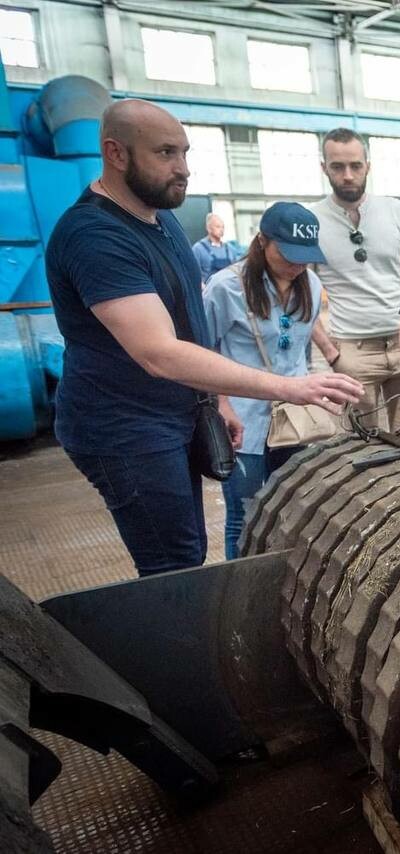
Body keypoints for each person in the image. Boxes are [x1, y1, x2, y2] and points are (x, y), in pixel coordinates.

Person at [46, 99, 361, 576]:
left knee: (189, 545)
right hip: (126, 426)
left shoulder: (161, 220)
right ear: (116, 153)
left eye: (185, 153)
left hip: (173, 415)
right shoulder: (95, 235)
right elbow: (159, 352)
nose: (184, 169)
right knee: (173, 561)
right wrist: (289, 387)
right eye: (166, 153)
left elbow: (188, 324)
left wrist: (212, 400)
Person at [205, 202, 338, 559]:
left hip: (293, 422)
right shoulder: (226, 287)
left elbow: (300, 348)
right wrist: (221, 404)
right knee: (244, 516)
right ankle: (240, 589)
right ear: (262, 241)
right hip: (242, 423)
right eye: (288, 254)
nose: (297, 264)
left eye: (305, 256)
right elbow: (203, 352)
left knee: (291, 509)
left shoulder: (308, 283)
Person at [309, 128, 400, 440]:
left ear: (368, 166)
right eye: (337, 167)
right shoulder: (312, 221)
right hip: (352, 353)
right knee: (362, 449)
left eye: (355, 166)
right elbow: (298, 296)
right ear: (324, 168)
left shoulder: (396, 210)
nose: (348, 175)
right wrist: (330, 351)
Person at [191, 212, 242, 283]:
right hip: (207, 291)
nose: (221, 229)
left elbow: (237, 272)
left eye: (223, 227)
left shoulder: (230, 249)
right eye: (218, 227)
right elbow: (193, 275)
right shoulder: (198, 249)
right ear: (208, 228)